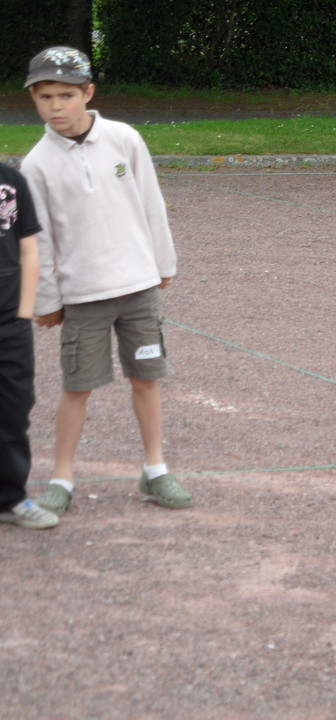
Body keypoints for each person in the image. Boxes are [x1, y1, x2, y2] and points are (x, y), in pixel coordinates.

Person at [20, 46, 191, 516]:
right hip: (83, 295)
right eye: (45, 96)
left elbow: (151, 203)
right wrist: (48, 300)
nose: (56, 106)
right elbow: (42, 240)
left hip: (137, 287)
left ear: (88, 93)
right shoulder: (35, 166)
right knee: (77, 387)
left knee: (146, 379)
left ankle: (156, 470)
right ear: (34, 99)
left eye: (66, 95)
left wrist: (162, 263)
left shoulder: (124, 139)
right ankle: (61, 477)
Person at [0, 162, 59, 529]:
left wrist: (23, 315)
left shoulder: (12, 180)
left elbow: (29, 250)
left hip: (10, 323)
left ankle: (10, 498)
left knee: (13, 412)